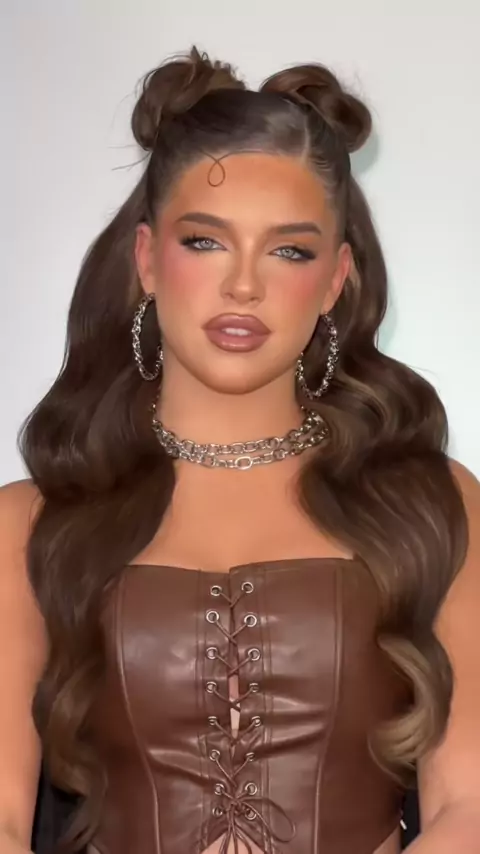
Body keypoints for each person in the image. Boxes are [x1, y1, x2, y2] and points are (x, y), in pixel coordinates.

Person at [1, 45, 479, 854]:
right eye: (205, 242)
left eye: (289, 250)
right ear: (147, 260)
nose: (244, 286)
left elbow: (470, 807)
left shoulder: (435, 503)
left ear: (336, 280)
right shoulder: (30, 522)